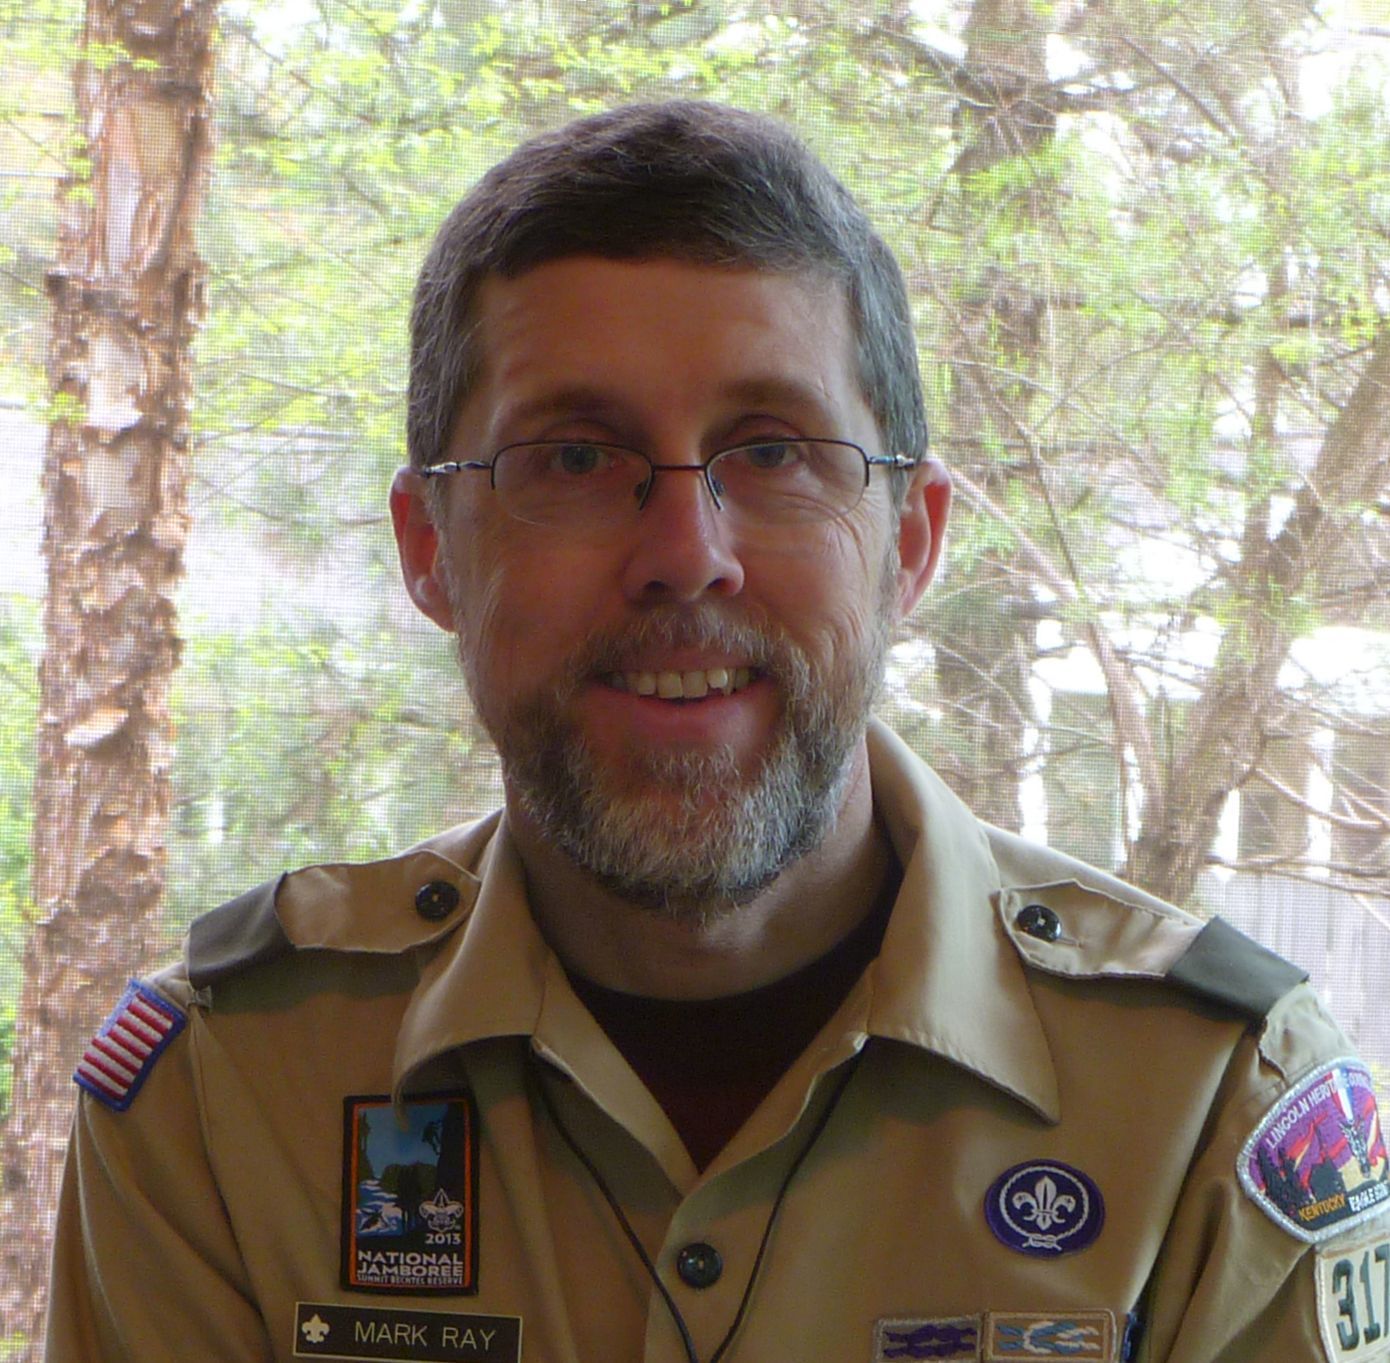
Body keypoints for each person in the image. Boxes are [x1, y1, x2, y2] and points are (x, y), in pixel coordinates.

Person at [48, 101, 1388, 1363]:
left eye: (773, 452)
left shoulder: (1214, 1108)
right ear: (429, 549)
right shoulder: (225, 1099)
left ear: (909, 543)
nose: (686, 555)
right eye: (575, 458)